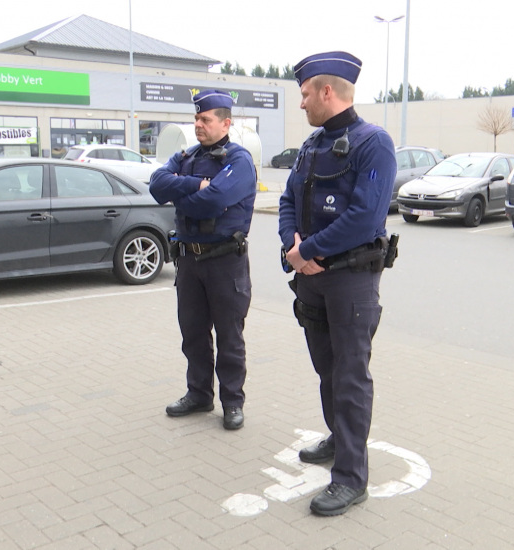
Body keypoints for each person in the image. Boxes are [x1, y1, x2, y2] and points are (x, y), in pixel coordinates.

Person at [278, 52, 397, 516]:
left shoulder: (373, 143)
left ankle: (351, 477)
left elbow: (365, 218)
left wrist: (305, 252)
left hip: (350, 281)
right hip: (312, 282)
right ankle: (338, 438)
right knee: (326, 369)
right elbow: (288, 199)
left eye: (305, 93)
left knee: (349, 377)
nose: (302, 102)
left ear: (328, 92)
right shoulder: (312, 145)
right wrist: (293, 244)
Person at [150, 89, 257, 431]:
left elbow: (216, 200)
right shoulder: (187, 157)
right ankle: (198, 394)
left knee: (229, 337)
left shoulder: (238, 161)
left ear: (226, 123)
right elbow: (156, 185)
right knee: (193, 333)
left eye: (205, 119)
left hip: (225, 261)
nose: (198, 124)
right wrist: (197, 185)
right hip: (190, 263)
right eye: (196, 118)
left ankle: (232, 402)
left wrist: (183, 195)